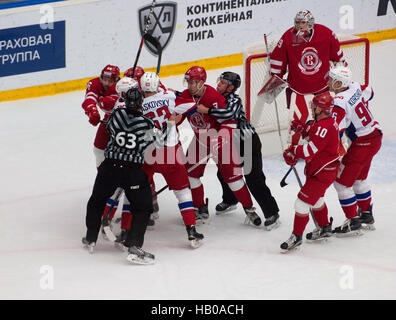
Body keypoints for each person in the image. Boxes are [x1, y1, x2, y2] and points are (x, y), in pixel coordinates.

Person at [82, 87, 168, 265]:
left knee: (96, 201)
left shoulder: (115, 116)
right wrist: (165, 127)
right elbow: (159, 145)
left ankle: (90, 237)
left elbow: (109, 128)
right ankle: (134, 245)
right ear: (141, 104)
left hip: (110, 168)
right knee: (143, 208)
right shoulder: (147, 123)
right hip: (132, 171)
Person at [177, 66, 261, 226]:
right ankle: (199, 207)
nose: (190, 86)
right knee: (191, 175)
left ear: (202, 83)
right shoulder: (186, 96)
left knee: (234, 180)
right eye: (188, 82)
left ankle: (249, 209)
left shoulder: (213, 96)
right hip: (200, 140)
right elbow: (178, 116)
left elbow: (229, 122)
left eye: (194, 82)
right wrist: (175, 120)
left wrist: (221, 140)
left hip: (220, 141)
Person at [197, 71, 280, 230]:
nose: (218, 84)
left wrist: (207, 111)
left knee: (253, 179)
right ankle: (230, 200)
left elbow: (229, 114)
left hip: (247, 143)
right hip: (230, 144)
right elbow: (196, 98)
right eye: (219, 81)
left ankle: (272, 213)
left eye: (222, 82)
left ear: (231, 87)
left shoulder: (234, 99)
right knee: (224, 173)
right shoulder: (215, 97)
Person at [139, 71, 204, 248]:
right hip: (169, 153)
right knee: (183, 192)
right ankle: (191, 231)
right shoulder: (169, 96)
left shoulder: (137, 103)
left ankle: (130, 228)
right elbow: (191, 106)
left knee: (138, 189)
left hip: (147, 154)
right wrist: (173, 108)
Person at [269, 10, 347, 146]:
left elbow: (338, 58)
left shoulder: (326, 33)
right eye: (298, 22)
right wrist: (275, 77)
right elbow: (277, 59)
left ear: (310, 22)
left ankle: (337, 144)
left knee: (328, 118)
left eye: (303, 22)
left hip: (323, 86)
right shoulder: (288, 36)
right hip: (298, 87)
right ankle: (293, 147)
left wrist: (340, 77)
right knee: (298, 119)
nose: (300, 26)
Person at [280, 91, 340, 251]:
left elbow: (310, 150)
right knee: (317, 200)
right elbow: (316, 139)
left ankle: (296, 237)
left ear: (321, 109)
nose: (312, 108)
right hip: (322, 170)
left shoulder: (323, 127)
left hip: (323, 172)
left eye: (314, 107)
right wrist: (304, 130)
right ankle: (324, 227)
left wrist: (292, 150)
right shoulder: (324, 123)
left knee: (301, 203)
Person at [328, 66, 382, 234]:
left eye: (331, 79)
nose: (328, 81)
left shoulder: (339, 102)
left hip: (362, 143)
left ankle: (353, 221)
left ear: (338, 83)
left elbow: (337, 130)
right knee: (358, 180)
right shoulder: (355, 86)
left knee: (341, 184)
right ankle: (366, 215)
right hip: (375, 136)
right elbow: (370, 92)